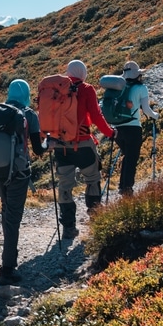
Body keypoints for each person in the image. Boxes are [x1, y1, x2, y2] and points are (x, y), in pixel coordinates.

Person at [0, 78, 40, 285]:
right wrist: (50, 144)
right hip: (19, 173)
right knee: (13, 217)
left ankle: (9, 254)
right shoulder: (29, 115)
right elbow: (38, 149)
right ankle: (7, 268)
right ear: (26, 94)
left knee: (7, 212)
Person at [48, 60, 116, 240]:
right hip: (84, 144)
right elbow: (96, 115)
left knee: (65, 185)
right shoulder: (86, 89)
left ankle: (69, 228)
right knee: (93, 180)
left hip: (61, 146)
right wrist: (110, 133)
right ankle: (96, 220)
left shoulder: (56, 89)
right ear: (83, 73)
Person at [114, 61, 159, 196]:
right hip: (133, 127)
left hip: (118, 128)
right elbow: (146, 109)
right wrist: (155, 115)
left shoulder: (119, 87)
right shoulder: (141, 88)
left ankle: (123, 186)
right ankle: (127, 189)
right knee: (132, 158)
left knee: (127, 156)